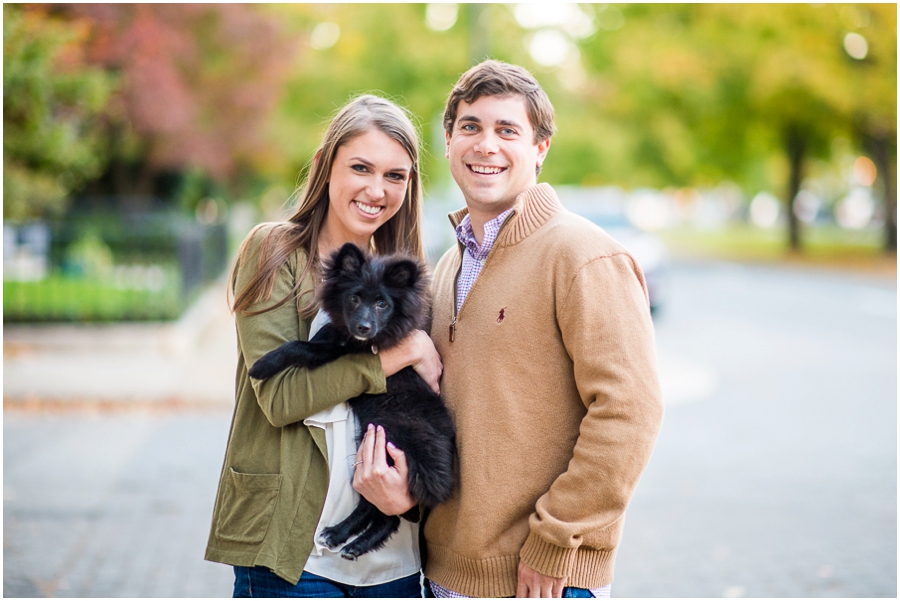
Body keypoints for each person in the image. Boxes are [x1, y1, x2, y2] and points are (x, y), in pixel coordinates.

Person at [423, 60, 665, 598]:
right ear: (448, 140)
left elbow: (630, 409)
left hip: (542, 579)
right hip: (445, 575)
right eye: (471, 127)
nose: (486, 145)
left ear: (540, 149)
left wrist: (556, 538)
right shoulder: (447, 266)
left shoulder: (582, 254)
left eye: (508, 130)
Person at [205, 94, 442, 598]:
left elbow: (428, 417)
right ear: (324, 167)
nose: (377, 189)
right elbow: (280, 399)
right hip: (295, 557)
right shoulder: (276, 253)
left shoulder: (405, 281)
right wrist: (402, 353)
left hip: (391, 561)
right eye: (361, 167)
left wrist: (411, 496)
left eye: (395, 176)